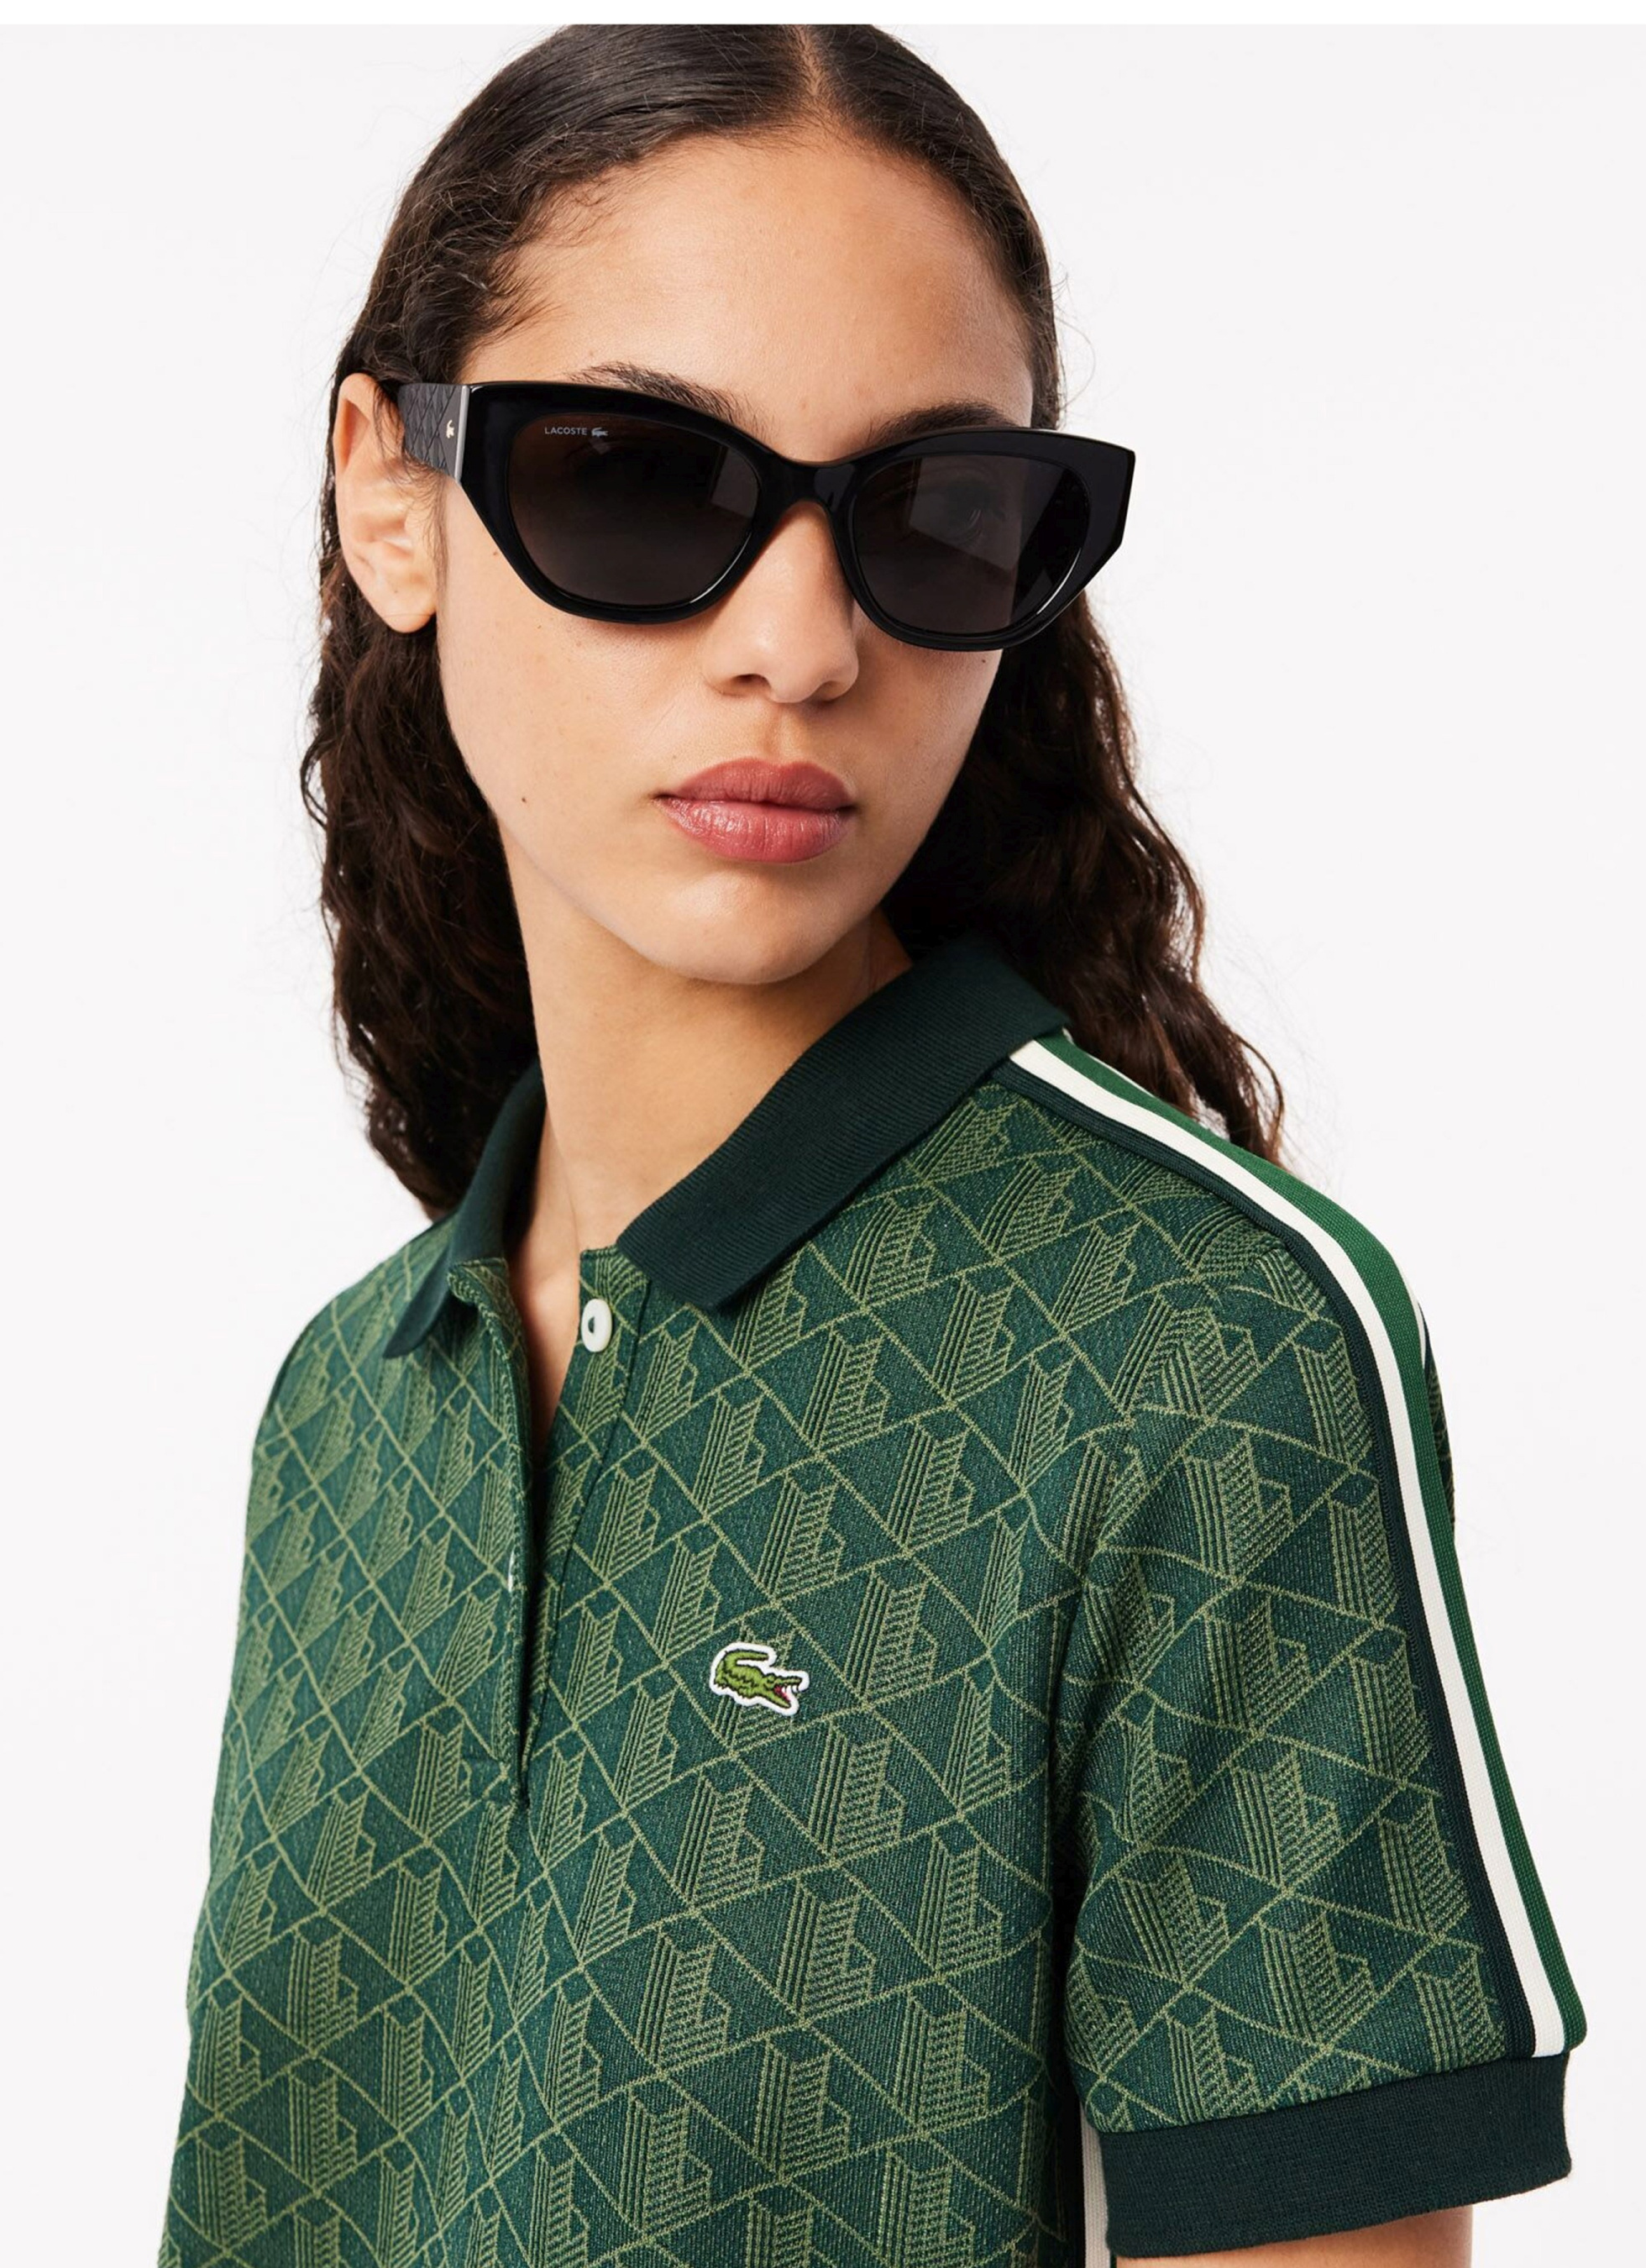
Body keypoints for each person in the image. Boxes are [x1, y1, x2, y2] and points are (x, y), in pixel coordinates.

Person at [156, 25, 1583, 2268]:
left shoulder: (1194, 1355)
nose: (802, 646)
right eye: (644, 482)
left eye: (931, 513)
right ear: (390, 497)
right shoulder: (351, 1408)